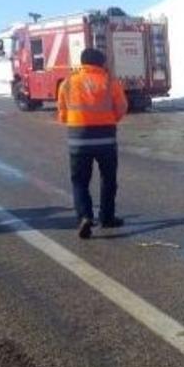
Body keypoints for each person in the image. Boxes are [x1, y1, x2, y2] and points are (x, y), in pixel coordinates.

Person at [56, 48, 128, 239]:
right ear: (101, 63)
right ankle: (107, 217)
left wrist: (73, 121)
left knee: (80, 181)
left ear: (83, 63)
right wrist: (110, 120)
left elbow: (62, 111)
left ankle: (84, 216)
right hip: (106, 139)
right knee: (109, 179)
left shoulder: (68, 83)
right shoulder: (110, 82)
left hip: (78, 139)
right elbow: (122, 107)